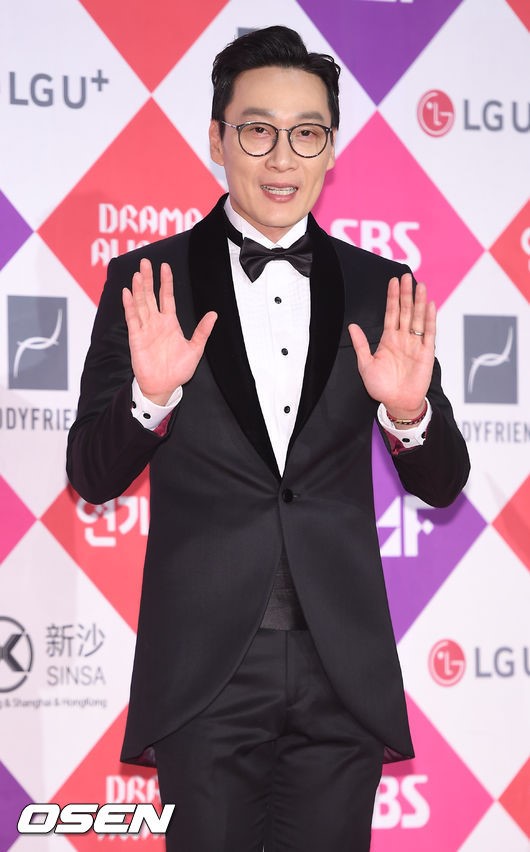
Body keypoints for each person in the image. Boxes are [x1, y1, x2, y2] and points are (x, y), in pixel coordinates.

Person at [67, 25, 469, 852]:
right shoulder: (148, 282)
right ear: (217, 140)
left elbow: (442, 482)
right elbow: (92, 475)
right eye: (257, 130)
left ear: (332, 148)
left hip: (341, 666)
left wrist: (407, 412)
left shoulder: (383, 289)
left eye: (307, 133)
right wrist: (150, 397)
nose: (282, 158)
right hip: (205, 670)